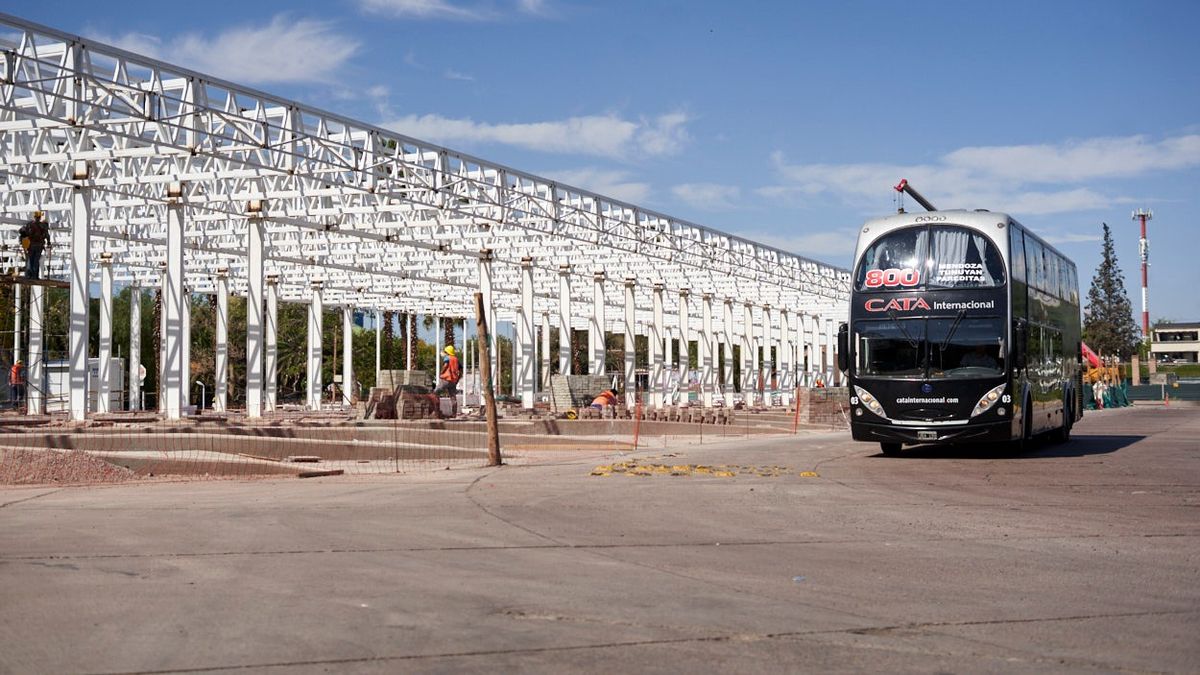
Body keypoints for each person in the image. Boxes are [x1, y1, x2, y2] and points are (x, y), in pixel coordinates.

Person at [18, 211, 50, 280]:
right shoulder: (43, 225)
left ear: (34, 217)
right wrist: (48, 242)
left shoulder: (30, 224)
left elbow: (22, 232)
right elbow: (47, 235)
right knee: (35, 260)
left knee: (30, 260)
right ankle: (35, 276)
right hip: (39, 246)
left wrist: (22, 240)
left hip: (32, 245)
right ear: (40, 217)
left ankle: (29, 275)